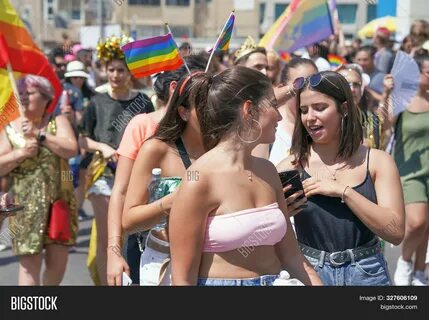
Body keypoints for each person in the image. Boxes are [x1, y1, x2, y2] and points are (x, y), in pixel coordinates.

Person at [169, 66, 322, 286]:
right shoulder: (198, 178)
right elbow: (183, 279)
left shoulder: (268, 171)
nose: (279, 115)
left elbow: (292, 256)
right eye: (271, 105)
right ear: (249, 110)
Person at [276, 71, 405, 286]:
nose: (310, 118)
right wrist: (282, 214)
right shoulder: (290, 167)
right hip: (311, 273)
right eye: (304, 110)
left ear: (344, 109)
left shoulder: (377, 162)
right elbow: (268, 234)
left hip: (366, 272)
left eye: (320, 108)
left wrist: (344, 192)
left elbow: (395, 233)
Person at [107, 55, 208, 286]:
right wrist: (114, 251)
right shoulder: (143, 126)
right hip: (148, 245)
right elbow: (120, 192)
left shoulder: (211, 135)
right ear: (175, 88)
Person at [78, 35, 154, 285]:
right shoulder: (97, 101)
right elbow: (82, 139)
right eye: (110, 69)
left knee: (130, 232)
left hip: (134, 174)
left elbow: (155, 134)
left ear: (129, 71)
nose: (115, 74)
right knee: (106, 235)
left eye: (120, 69)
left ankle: (129, 277)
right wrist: (102, 147)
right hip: (103, 174)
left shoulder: (143, 101)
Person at [0, 75, 79, 285]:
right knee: (28, 265)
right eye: (22, 93)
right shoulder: (9, 127)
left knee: (57, 263)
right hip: (24, 206)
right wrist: (21, 153)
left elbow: (71, 149)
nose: (24, 97)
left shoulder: (57, 121)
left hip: (58, 203)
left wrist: (40, 135)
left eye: (30, 93)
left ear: (46, 98)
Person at [393, 51, 429, 286]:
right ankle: (405, 261)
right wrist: (387, 92)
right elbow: (382, 124)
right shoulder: (402, 99)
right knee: (416, 221)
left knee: (426, 223)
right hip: (410, 172)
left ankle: (419, 271)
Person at [269, 58, 318, 166]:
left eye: (314, 83)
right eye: (301, 84)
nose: (308, 91)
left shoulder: (325, 127)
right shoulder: (268, 129)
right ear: (283, 89)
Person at [338, 63, 392, 150]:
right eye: (347, 84)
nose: (352, 89)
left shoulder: (366, 116)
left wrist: (386, 93)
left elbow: (384, 124)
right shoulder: (331, 118)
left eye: (356, 85)